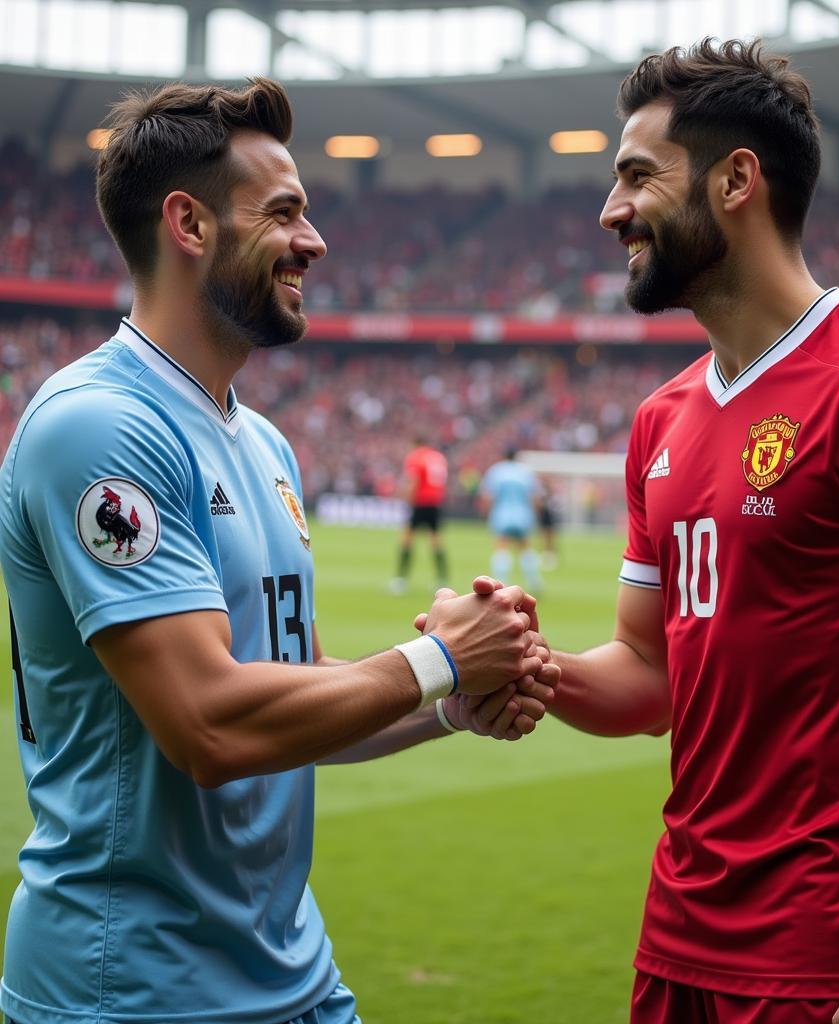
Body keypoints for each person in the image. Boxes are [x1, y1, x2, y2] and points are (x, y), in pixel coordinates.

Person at [0, 79, 556, 1024]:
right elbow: (212, 725)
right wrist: (438, 656)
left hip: (290, 973)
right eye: (286, 211)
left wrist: (449, 704)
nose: (316, 240)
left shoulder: (262, 441)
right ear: (189, 224)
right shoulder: (99, 427)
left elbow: (282, 691)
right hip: (134, 990)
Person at [521, 39, 839, 1024]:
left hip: (836, 952)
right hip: (679, 937)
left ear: (735, 179)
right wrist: (521, 664)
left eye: (634, 176)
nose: (609, 211)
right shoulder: (659, 419)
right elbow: (645, 672)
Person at [389, 434, 449, 594]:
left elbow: (413, 480)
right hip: (435, 502)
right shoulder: (438, 457)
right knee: (436, 541)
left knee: (407, 539)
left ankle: (400, 580)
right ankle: (442, 579)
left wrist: (407, 499)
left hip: (420, 501)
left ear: (415, 443)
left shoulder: (416, 457)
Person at [478, 447, 543, 592]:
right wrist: (537, 514)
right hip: (523, 515)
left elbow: (488, 496)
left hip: (502, 514)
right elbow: (535, 496)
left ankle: (501, 583)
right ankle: (535, 582)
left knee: (501, 546)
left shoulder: (496, 471)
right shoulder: (525, 472)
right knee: (525, 547)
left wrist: (487, 513)